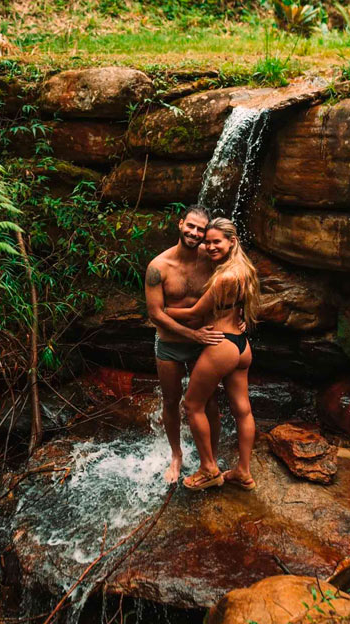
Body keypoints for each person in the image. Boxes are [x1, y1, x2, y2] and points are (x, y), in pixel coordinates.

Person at [164, 217, 259, 492]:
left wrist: (165, 311)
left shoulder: (225, 277)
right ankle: (243, 471)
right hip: (241, 346)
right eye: (208, 241)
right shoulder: (244, 268)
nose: (210, 246)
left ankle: (208, 469)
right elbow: (241, 308)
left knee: (192, 405)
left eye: (216, 241)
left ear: (232, 241)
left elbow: (195, 313)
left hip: (222, 344)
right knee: (243, 409)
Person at [144, 205, 225, 484]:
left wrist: (240, 318)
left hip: (205, 341)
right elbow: (155, 314)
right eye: (190, 226)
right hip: (171, 344)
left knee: (210, 401)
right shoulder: (158, 267)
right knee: (170, 401)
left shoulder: (211, 258)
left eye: (200, 229)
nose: (194, 232)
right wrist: (193, 335)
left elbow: (239, 279)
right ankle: (176, 456)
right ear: (180, 224)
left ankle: (211, 458)